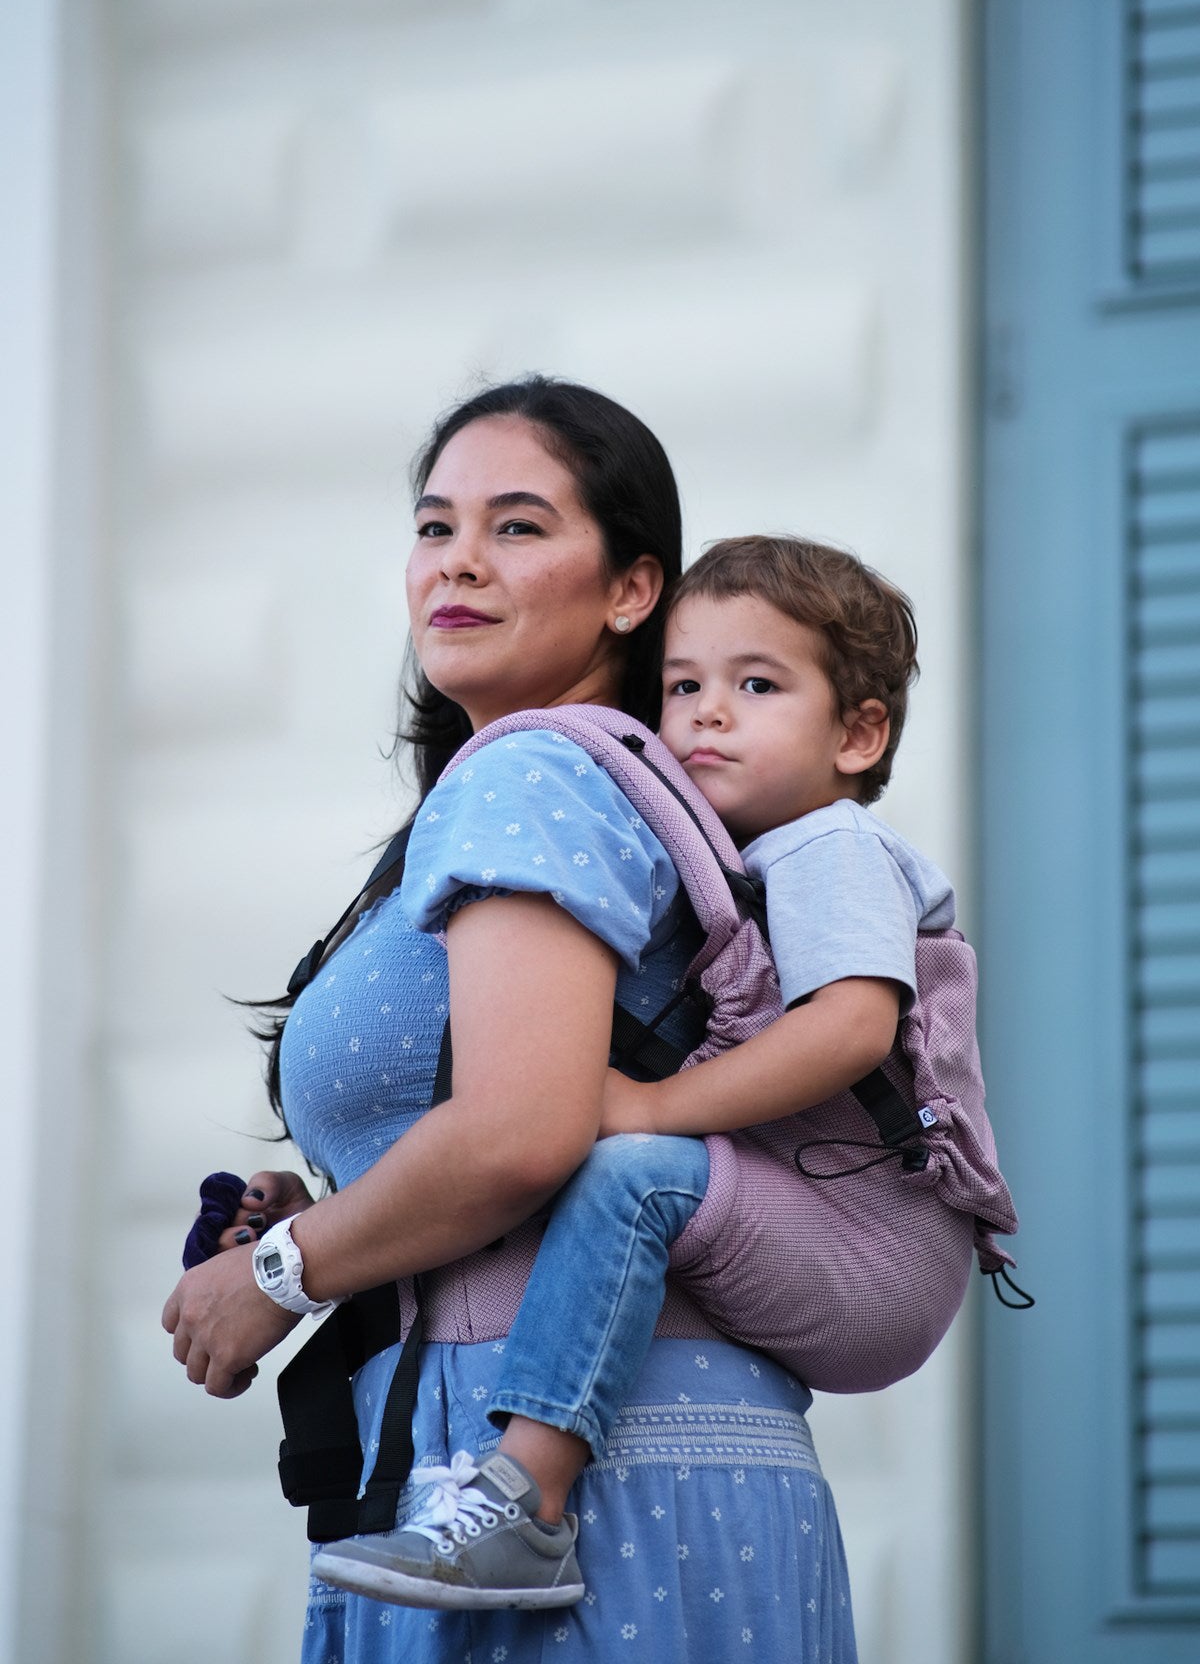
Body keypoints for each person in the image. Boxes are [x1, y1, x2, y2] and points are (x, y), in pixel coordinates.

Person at [162, 378, 858, 1663]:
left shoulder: (537, 772)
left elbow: (520, 1136)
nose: (459, 563)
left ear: (632, 590)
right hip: (638, 1459)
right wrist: (334, 1197)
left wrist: (282, 1271)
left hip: (567, 1479)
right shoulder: (562, 786)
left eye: (520, 526)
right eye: (435, 528)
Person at [311, 533, 956, 1612]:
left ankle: (526, 1506)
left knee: (636, 1172)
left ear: (858, 733)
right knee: (635, 1169)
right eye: (683, 685)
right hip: (816, 1214)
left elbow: (850, 1029)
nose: (706, 712)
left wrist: (653, 1105)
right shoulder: (733, 862)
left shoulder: (828, 848)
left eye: (756, 685)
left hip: (879, 1237)